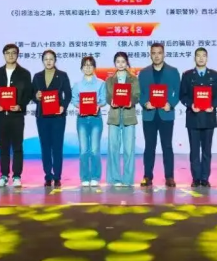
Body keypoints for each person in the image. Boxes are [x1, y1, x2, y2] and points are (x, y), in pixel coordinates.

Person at [0, 44, 32, 188]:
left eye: (14, 52)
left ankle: (17, 176)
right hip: (1, 115)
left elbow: (28, 93)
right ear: (4, 55)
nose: (11, 55)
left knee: (17, 146)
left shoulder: (24, 73)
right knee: (3, 147)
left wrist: (20, 105)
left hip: (17, 116)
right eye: (8, 53)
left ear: (17, 55)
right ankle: (3, 175)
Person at [139, 43, 181, 188]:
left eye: (159, 53)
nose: (156, 56)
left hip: (166, 114)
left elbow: (178, 92)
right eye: (154, 53)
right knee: (149, 146)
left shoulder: (173, 71)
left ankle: (169, 177)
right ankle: (147, 176)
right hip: (149, 114)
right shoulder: (143, 73)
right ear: (150, 55)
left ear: (164, 54)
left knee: (167, 146)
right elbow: (139, 93)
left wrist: (171, 104)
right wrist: (145, 103)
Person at [179, 48, 217, 188]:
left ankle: (205, 178)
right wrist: (191, 104)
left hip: (209, 117)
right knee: (194, 150)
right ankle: (196, 178)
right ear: (194, 58)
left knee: (207, 151)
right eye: (198, 56)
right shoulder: (187, 75)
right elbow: (182, 95)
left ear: (207, 58)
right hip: (193, 117)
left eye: (204, 56)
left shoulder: (214, 75)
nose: (201, 58)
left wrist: (213, 105)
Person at [32, 50, 72, 188]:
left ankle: (57, 176)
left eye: (51, 59)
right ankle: (48, 176)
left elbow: (68, 94)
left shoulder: (62, 75)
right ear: (43, 61)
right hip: (42, 116)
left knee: (57, 147)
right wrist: (36, 96)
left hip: (57, 117)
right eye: (46, 59)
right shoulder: (37, 76)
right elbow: (32, 94)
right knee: (45, 147)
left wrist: (63, 107)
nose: (48, 61)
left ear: (55, 60)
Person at [106, 52, 140, 187]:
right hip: (114, 116)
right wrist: (111, 101)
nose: (120, 64)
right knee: (113, 148)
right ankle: (115, 178)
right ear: (115, 63)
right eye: (118, 61)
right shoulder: (109, 80)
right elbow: (108, 96)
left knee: (129, 149)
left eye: (123, 61)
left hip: (129, 116)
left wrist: (131, 101)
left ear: (127, 63)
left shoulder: (133, 79)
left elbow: (137, 95)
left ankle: (127, 179)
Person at [71, 56, 107, 187]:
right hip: (82, 120)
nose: (87, 67)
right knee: (83, 150)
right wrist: (79, 106)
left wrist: (98, 105)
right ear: (81, 68)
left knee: (95, 150)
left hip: (96, 119)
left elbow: (104, 100)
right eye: (85, 65)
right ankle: (85, 177)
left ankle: (95, 176)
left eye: (90, 65)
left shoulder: (101, 83)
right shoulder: (77, 85)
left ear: (94, 68)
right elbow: (74, 100)